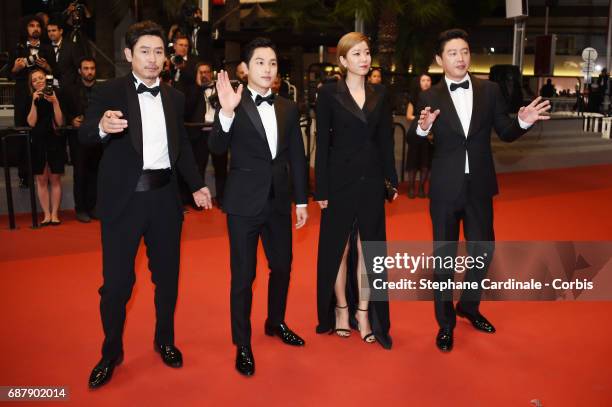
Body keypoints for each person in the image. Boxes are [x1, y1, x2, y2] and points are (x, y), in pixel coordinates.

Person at [79, 21, 212, 389]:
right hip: (124, 202)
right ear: (128, 55)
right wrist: (103, 126)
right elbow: (85, 132)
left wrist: (198, 185)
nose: (153, 59)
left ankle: (165, 340)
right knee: (117, 285)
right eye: (144, 52)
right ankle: (111, 352)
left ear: (166, 57)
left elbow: (181, 147)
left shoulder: (174, 97)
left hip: (165, 200)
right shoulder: (109, 92)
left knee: (167, 279)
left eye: (158, 52)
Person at [409, 29, 550, 352]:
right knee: (444, 258)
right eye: (452, 53)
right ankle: (445, 323)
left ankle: (469, 307)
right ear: (439, 60)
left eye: (465, 51)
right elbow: (416, 140)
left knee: (482, 251)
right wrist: (422, 127)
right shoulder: (430, 96)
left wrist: (524, 122)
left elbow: (506, 131)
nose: (460, 58)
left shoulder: (490, 90)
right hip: (445, 188)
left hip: (480, 187)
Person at [209, 37, 309, 377]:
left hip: (279, 202)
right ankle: (243, 343)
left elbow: (297, 154)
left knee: (282, 267)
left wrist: (301, 199)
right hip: (243, 204)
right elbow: (217, 149)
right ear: (246, 68)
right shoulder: (231, 102)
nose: (268, 69)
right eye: (261, 63)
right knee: (244, 275)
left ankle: (275, 322)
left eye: (273, 63)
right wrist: (225, 112)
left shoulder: (287, 106)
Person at [314, 32, 398, 349]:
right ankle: (340, 310)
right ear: (343, 60)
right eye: (357, 54)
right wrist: (320, 187)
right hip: (338, 182)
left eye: (367, 52)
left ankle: (364, 314)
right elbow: (322, 145)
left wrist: (391, 180)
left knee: (368, 248)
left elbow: (386, 141)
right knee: (340, 248)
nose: (364, 59)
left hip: (372, 180)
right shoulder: (328, 94)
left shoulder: (380, 94)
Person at [9, 15, 55, 188]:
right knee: (22, 133)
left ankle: (46, 172)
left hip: (45, 95)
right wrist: (16, 67)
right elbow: (9, 73)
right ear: (25, 28)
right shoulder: (17, 48)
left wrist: (47, 68)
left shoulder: (47, 48)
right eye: (31, 25)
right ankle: (24, 175)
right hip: (22, 97)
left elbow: (55, 72)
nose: (35, 28)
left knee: (45, 133)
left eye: (38, 26)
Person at [184, 62, 228, 207]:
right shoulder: (192, 90)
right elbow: (187, 110)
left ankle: (222, 200)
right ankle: (199, 202)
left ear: (211, 73)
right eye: (201, 72)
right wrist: (197, 87)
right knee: (198, 168)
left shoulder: (220, 88)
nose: (204, 75)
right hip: (199, 134)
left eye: (207, 72)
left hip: (217, 133)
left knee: (221, 168)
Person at [63, 57, 101, 222]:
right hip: (77, 138)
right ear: (80, 71)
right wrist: (71, 119)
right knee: (80, 174)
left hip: (97, 138)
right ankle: (80, 209)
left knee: (95, 174)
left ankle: (93, 207)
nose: (89, 71)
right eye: (85, 68)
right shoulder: (70, 90)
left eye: (92, 68)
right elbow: (64, 110)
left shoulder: (102, 90)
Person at [26, 68, 65, 226]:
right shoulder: (31, 98)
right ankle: (46, 214)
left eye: (41, 78)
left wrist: (54, 101)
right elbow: (31, 122)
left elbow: (60, 121)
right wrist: (34, 102)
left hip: (55, 140)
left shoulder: (56, 94)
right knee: (41, 179)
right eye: (34, 80)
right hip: (38, 141)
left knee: (55, 178)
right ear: (32, 85)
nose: (38, 81)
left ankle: (55, 214)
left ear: (47, 79)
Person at [405, 73, 433, 198]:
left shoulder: (435, 98)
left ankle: (421, 187)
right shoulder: (414, 98)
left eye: (428, 80)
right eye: (423, 80)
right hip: (416, 134)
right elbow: (408, 115)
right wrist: (421, 119)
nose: (426, 82)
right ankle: (411, 187)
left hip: (429, 135)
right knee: (413, 161)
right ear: (419, 82)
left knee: (426, 162)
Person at [46, 18, 83, 89]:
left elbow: (79, 68)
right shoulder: (46, 47)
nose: (51, 33)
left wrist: (75, 86)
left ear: (61, 31)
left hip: (69, 87)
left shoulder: (72, 46)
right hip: (50, 87)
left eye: (54, 30)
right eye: (49, 31)